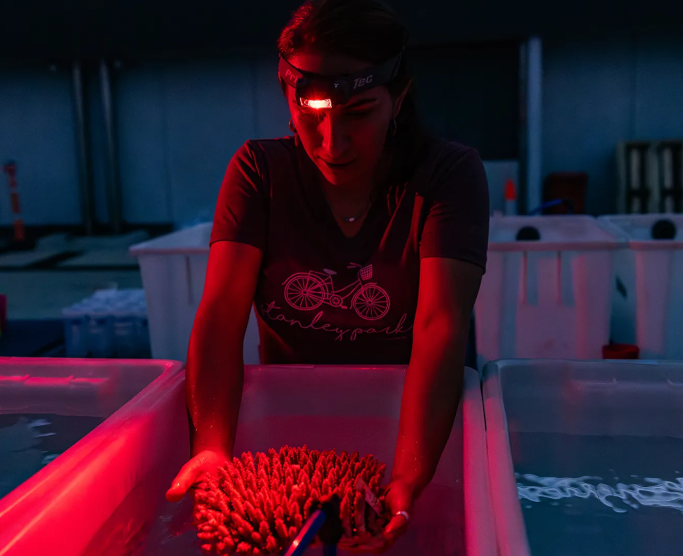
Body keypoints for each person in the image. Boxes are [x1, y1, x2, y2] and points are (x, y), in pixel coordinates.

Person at [165, 0, 489, 550]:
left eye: (360, 112)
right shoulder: (258, 173)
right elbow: (221, 315)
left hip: (416, 427)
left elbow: (439, 327)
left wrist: (408, 479)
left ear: (399, 98)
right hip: (293, 425)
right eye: (310, 113)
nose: (332, 143)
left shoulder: (447, 175)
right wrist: (212, 446)